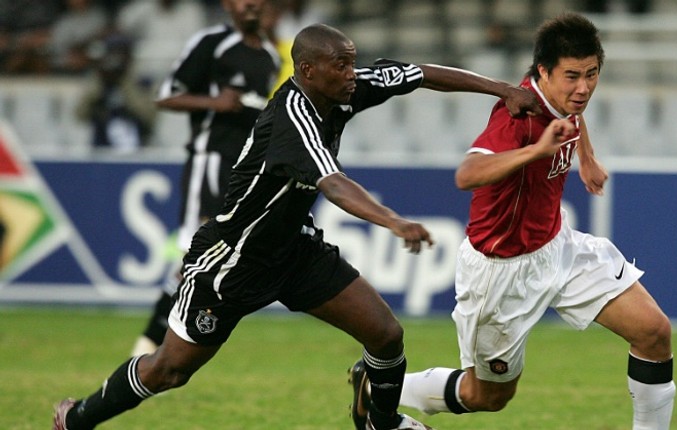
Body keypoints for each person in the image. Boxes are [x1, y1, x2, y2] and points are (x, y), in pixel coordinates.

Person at [53, 23, 541, 430]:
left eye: (353, 63)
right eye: (342, 66)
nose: (354, 74)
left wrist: (500, 89)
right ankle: (75, 419)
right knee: (169, 370)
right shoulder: (292, 117)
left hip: (293, 252)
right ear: (308, 71)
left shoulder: (345, 88)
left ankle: (382, 423)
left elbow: (419, 73)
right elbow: (333, 184)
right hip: (233, 260)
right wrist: (393, 220)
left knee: (386, 336)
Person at [349, 12, 676, 430]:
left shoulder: (564, 98)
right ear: (543, 71)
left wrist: (587, 158)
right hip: (500, 273)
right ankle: (379, 387)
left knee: (654, 333)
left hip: (558, 247)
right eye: (572, 76)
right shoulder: (515, 117)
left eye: (592, 74)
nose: (584, 88)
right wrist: (536, 151)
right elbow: (466, 174)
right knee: (487, 396)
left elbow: (573, 115)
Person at [128, 0, 282, 357]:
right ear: (228, 4)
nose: (251, 5)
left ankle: (163, 347)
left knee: (214, 258)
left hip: (243, 172)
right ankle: (146, 348)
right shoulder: (212, 43)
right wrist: (214, 103)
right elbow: (166, 97)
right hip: (210, 160)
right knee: (192, 252)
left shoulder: (270, 58)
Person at [74, 34, 156, 152]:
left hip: (137, 149)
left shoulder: (144, 82)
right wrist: (99, 83)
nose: (117, 58)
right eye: (112, 53)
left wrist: (125, 81)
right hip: (101, 149)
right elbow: (79, 115)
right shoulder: (100, 81)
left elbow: (148, 116)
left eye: (121, 53)